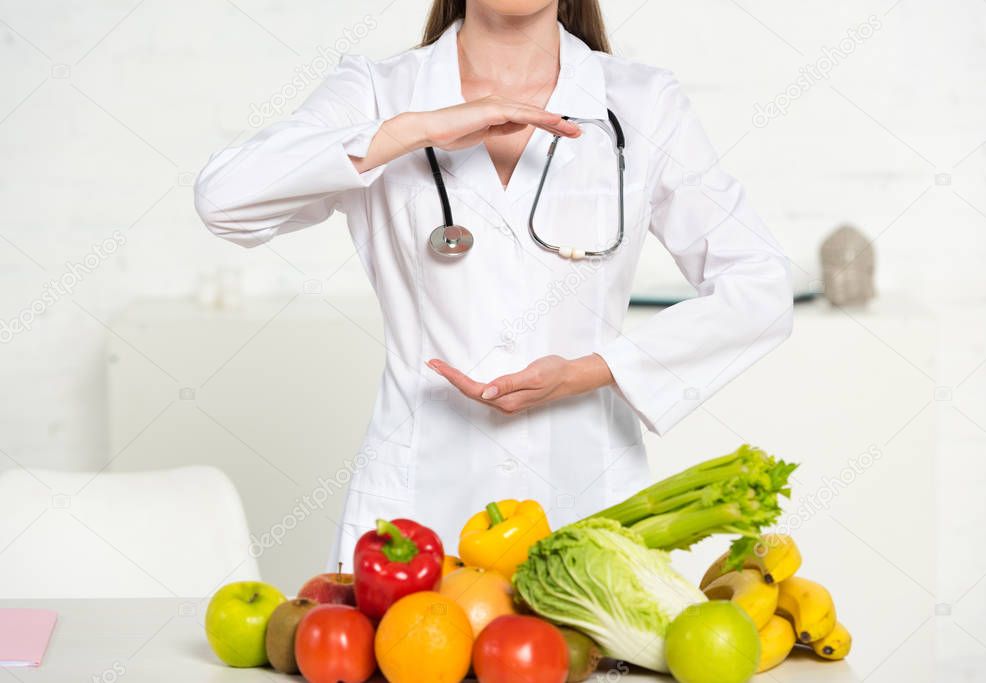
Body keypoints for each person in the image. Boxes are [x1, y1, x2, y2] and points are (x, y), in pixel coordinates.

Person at [194, 0, 793, 566]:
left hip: (586, 497)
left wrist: (591, 371)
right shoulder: (380, 92)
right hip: (415, 510)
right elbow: (224, 200)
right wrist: (416, 129)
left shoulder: (641, 102)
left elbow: (759, 286)